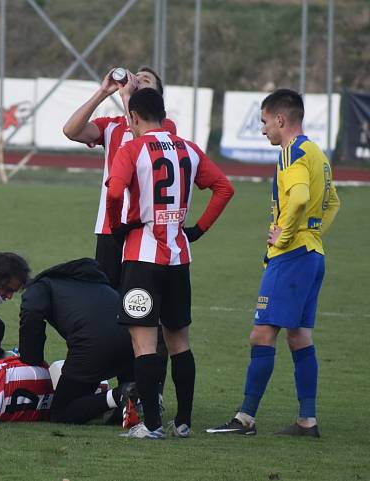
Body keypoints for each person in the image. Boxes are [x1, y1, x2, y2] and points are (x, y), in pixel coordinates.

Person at [207, 89, 340, 438]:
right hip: (312, 254)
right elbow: (333, 203)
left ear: (281, 120)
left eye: (265, 122)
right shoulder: (317, 154)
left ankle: (245, 418)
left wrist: (283, 238)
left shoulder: (290, 152)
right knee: (299, 336)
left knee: (261, 334)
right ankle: (307, 421)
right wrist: (313, 232)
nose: (264, 129)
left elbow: (298, 197)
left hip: (291, 256)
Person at [106, 88, 234, 439]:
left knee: (143, 345)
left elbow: (115, 192)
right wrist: (198, 229)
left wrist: (118, 226)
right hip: (179, 257)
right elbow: (224, 188)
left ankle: (151, 427)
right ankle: (184, 422)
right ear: (162, 114)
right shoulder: (188, 149)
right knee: (179, 341)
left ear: (133, 117)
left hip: (142, 257)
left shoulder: (131, 148)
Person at [63, 67, 176, 403]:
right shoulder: (112, 126)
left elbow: (140, 135)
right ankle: (124, 391)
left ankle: (150, 391)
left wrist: (129, 98)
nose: (136, 83)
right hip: (110, 231)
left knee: (146, 314)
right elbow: (70, 131)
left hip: (144, 234)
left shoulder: (164, 128)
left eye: (145, 83)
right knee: (112, 310)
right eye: (134, 79)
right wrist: (103, 92)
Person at [18, 258, 138, 426]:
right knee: (117, 387)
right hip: (132, 338)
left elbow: (31, 314)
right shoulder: (94, 283)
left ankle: (119, 395)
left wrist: (31, 358)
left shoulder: (40, 286)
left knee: (62, 412)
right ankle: (127, 402)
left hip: (93, 345)